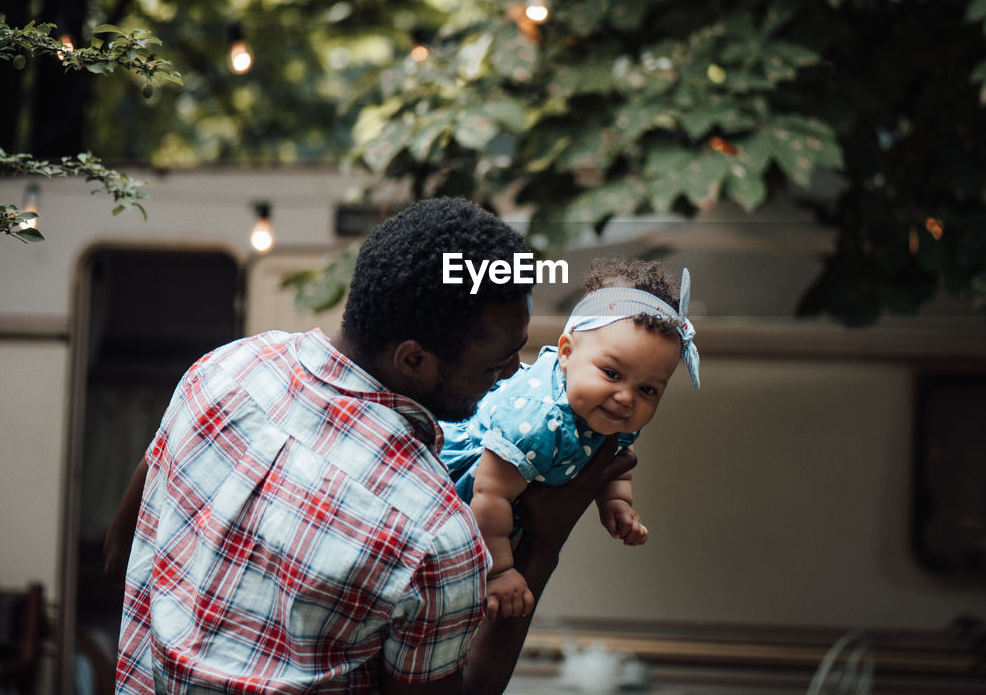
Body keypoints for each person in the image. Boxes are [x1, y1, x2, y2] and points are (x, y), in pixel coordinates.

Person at [103, 197, 636, 695]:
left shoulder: (226, 369)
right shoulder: (433, 531)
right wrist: (544, 543)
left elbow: (121, 557)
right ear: (413, 360)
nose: (511, 377)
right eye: (495, 363)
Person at [439, 259, 700, 620]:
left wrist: (617, 502)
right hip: (465, 492)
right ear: (566, 352)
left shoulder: (615, 412)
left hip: (510, 500)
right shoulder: (537, 419)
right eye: (611, 373)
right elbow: (488, 494)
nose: (626, 397)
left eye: (648, 388)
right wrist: (498, 571)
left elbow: (619, 454)